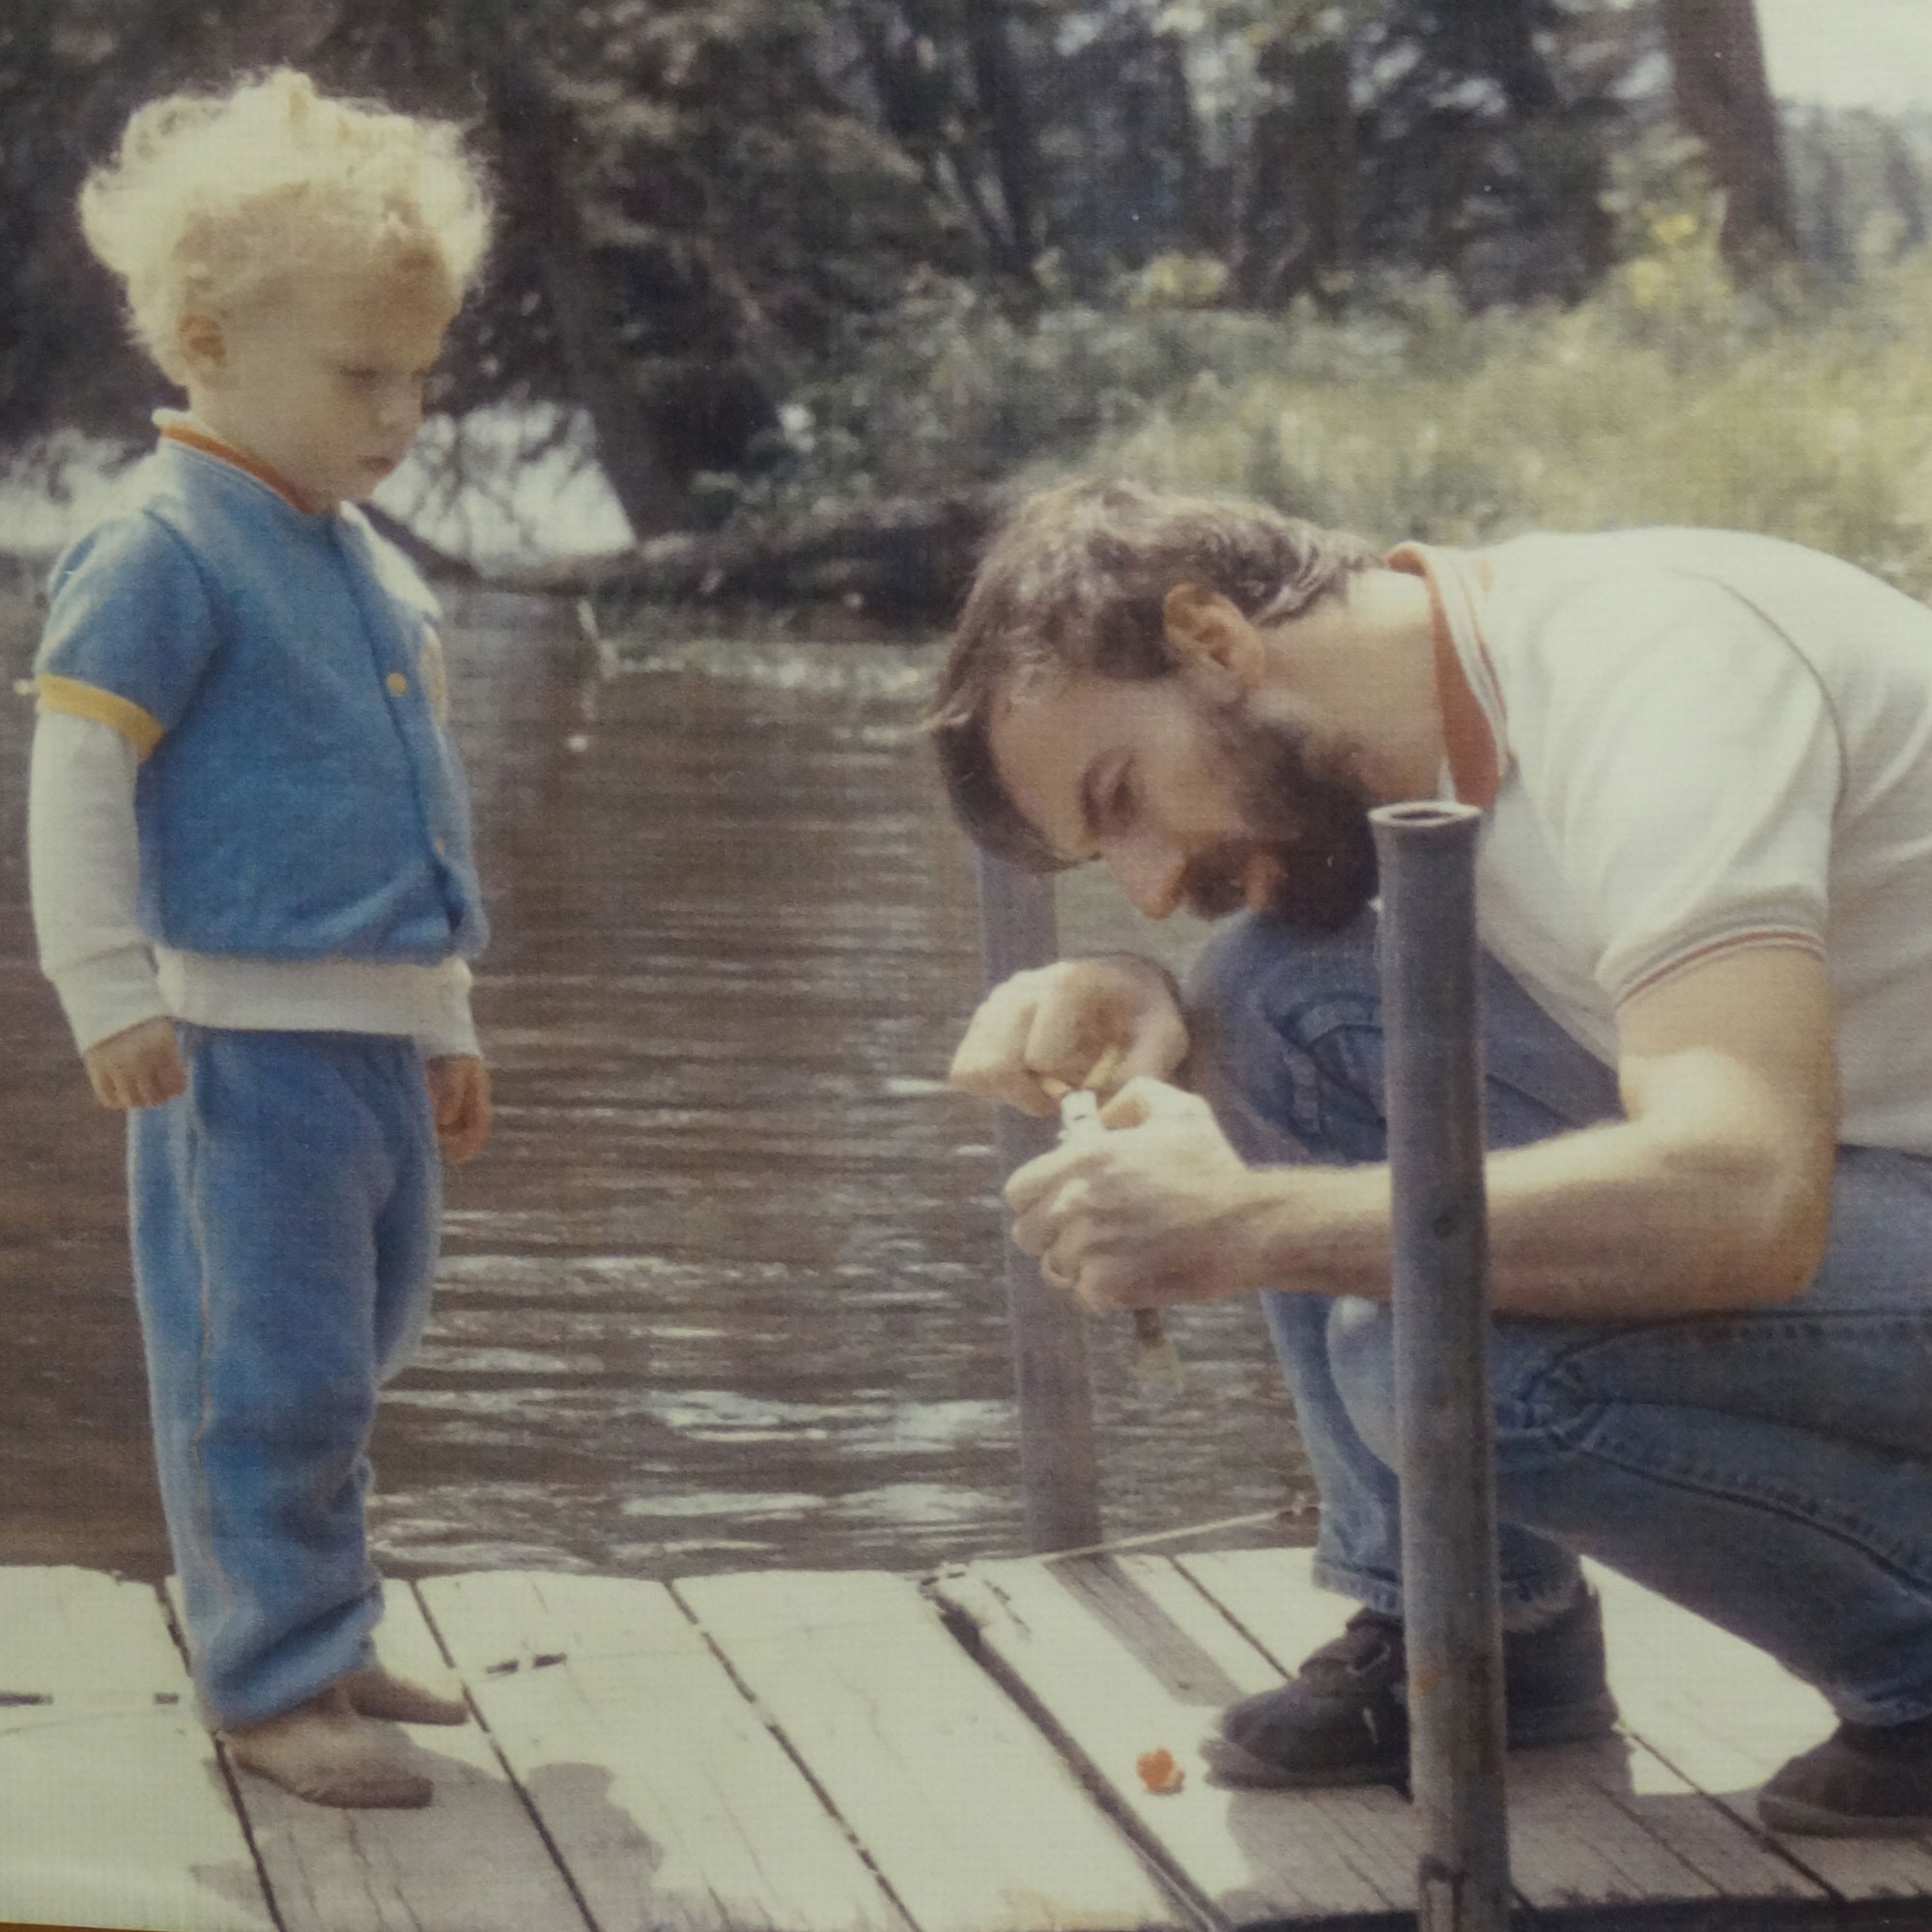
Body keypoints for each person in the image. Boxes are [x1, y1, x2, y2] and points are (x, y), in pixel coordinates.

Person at [934, 477, 1932, 1838]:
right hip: (1874, 1163)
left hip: (1811, 1177)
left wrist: (1247, 1225)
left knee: (1443, 1367)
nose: (1152, 881)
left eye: (1125, 798)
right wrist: (1152, 1000)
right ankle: (1472, 1633)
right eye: (1106, 849)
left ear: (1214, 640)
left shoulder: (1660, 691)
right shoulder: (1447, 688)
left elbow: (1748, 1196)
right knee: (1261, 996)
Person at [27, 70, 496, 1809]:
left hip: (367, 1036)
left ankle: (321, 1622)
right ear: (211, 343)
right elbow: (79, 777)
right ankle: (269, 1678)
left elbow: (405, 816)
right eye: (363, 376)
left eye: (420, 376)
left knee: (351, 1353)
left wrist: (443, 1017)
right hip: (236, 1044)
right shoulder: (161, 546)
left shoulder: (360, 559)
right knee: (263, 1366)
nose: (404, 413)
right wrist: (107, 991)